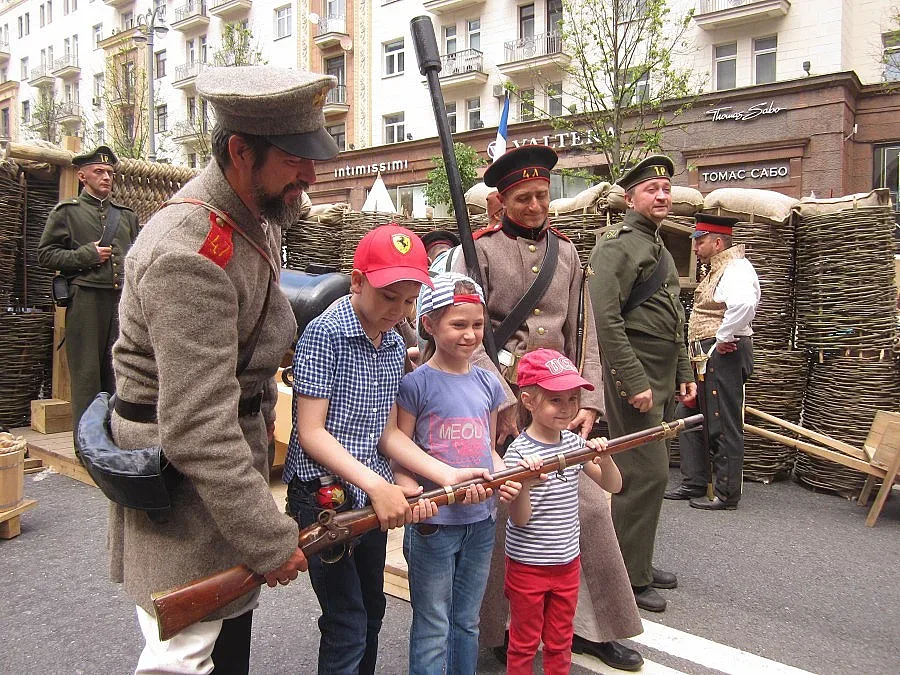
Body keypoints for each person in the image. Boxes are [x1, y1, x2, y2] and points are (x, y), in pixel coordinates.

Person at [107, 66, 339, 673]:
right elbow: (196, 428)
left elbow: (256, 331)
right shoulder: (187, 252)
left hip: (223, 465)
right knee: (182, 655)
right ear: (240, 151)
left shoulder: (249, 215)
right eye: (295, 159)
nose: (310, 176)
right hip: (184, 482)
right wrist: (271, 537)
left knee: (227, 638)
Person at [460, 145, 643, 672]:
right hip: (501, 402)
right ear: (503, 201)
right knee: (507, 516)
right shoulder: (482, 252)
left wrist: (587, 402)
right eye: (524, 197)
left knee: (588, 508)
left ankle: (594, 626)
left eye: (542, 195)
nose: (537, 205)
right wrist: (500, 399)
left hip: (558, 400)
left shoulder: (567, 252)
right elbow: (469, 333)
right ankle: (501, 628)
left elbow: (582, 329)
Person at [286, 225, 494, 675]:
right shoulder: (325, 333)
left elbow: (388, 434)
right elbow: (311, 433)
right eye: (387, 297)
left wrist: (445, 474)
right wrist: (379, 484)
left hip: (373, 495)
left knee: (373, 612)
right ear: (357, 281)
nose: (397, 310)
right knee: (347, 621)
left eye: (407, 300)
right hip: (325, 497)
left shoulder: (394, 341)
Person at [393, 271, 524, 675]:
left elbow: (486, 447)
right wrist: (411, 493)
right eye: (458, 325)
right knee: (433, 623)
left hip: (481, 520)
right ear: (430, 325)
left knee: (467, 620)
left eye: (478, 325)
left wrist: (505, 474)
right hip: (435, 522)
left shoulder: (488, 383)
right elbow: (402, 447)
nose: (470, 335)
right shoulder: (415, 384)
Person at [587, 155, 698, 614]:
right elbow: (606, 321)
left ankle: (639, 563)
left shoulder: (660, 246)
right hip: (635, 376)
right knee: (643, 474)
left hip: (661, 376)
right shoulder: (617, 245)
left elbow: (675, 321)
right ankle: (627, 576)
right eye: (652, 189)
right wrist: (632, 381)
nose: (662, 196)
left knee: (650, 475)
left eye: (666, 189)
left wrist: (685, 374)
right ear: (630, 197)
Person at [503, 348, 621, 675]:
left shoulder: (571, 444)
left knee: (560, 640)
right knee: (524, 642)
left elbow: (613, 485)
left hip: (567, 562)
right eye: (556, 400)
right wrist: (525, 484)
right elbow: (520, 519)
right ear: (528, 401)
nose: (567, 409)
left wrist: (605, 456)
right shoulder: (518, 454)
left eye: (573, 399)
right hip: (528, 564)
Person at [38, 145, 140, 431]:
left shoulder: (126, 216)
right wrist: (86, 256)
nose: (106, 177)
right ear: (83, 177)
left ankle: (115, 440)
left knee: (119, 373)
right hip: (85, 301)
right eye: (99, 172)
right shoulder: (67, 213)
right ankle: (87, 447)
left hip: (120, 303)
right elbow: (45, 255)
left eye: (109, 172)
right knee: (87, 377)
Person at [665, 214, 759, 510]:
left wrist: (723, 336)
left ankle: (727, 493)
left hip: (722, 353)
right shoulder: (718, 268)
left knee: (722, 420)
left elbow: (743, 303)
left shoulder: (736, 268)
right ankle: (694, 481)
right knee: (690, 413)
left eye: (700, 241)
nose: (695, 247)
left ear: (718, 243)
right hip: (707, 354)